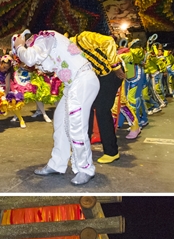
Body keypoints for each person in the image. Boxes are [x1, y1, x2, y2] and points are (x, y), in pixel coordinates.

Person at [13, 29, 100, 185]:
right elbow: (43, 65)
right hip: (73, 84)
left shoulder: (45, 37)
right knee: (60, 124)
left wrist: (19, 47)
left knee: (76, 127)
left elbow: (31, 58)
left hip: (82, 81)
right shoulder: (47, 42)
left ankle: (85, 168)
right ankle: (57, 164)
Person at [69, 31, 125, 164]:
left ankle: (112, 152)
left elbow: (108, 41)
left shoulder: (82, 38)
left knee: (102, 110)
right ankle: (83, 146)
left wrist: (115, 66)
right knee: (86, 107)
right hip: (97, 77)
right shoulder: (69, 51)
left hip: (111, 74)